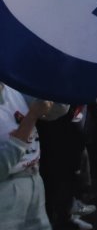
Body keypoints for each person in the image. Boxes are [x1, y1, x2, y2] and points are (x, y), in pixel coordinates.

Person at [1, 83, 67, 230]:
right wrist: (31, 117)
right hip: (6, 194)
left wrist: (64, 81)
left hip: (34, 181)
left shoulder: (12, 88)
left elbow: (56, 109)